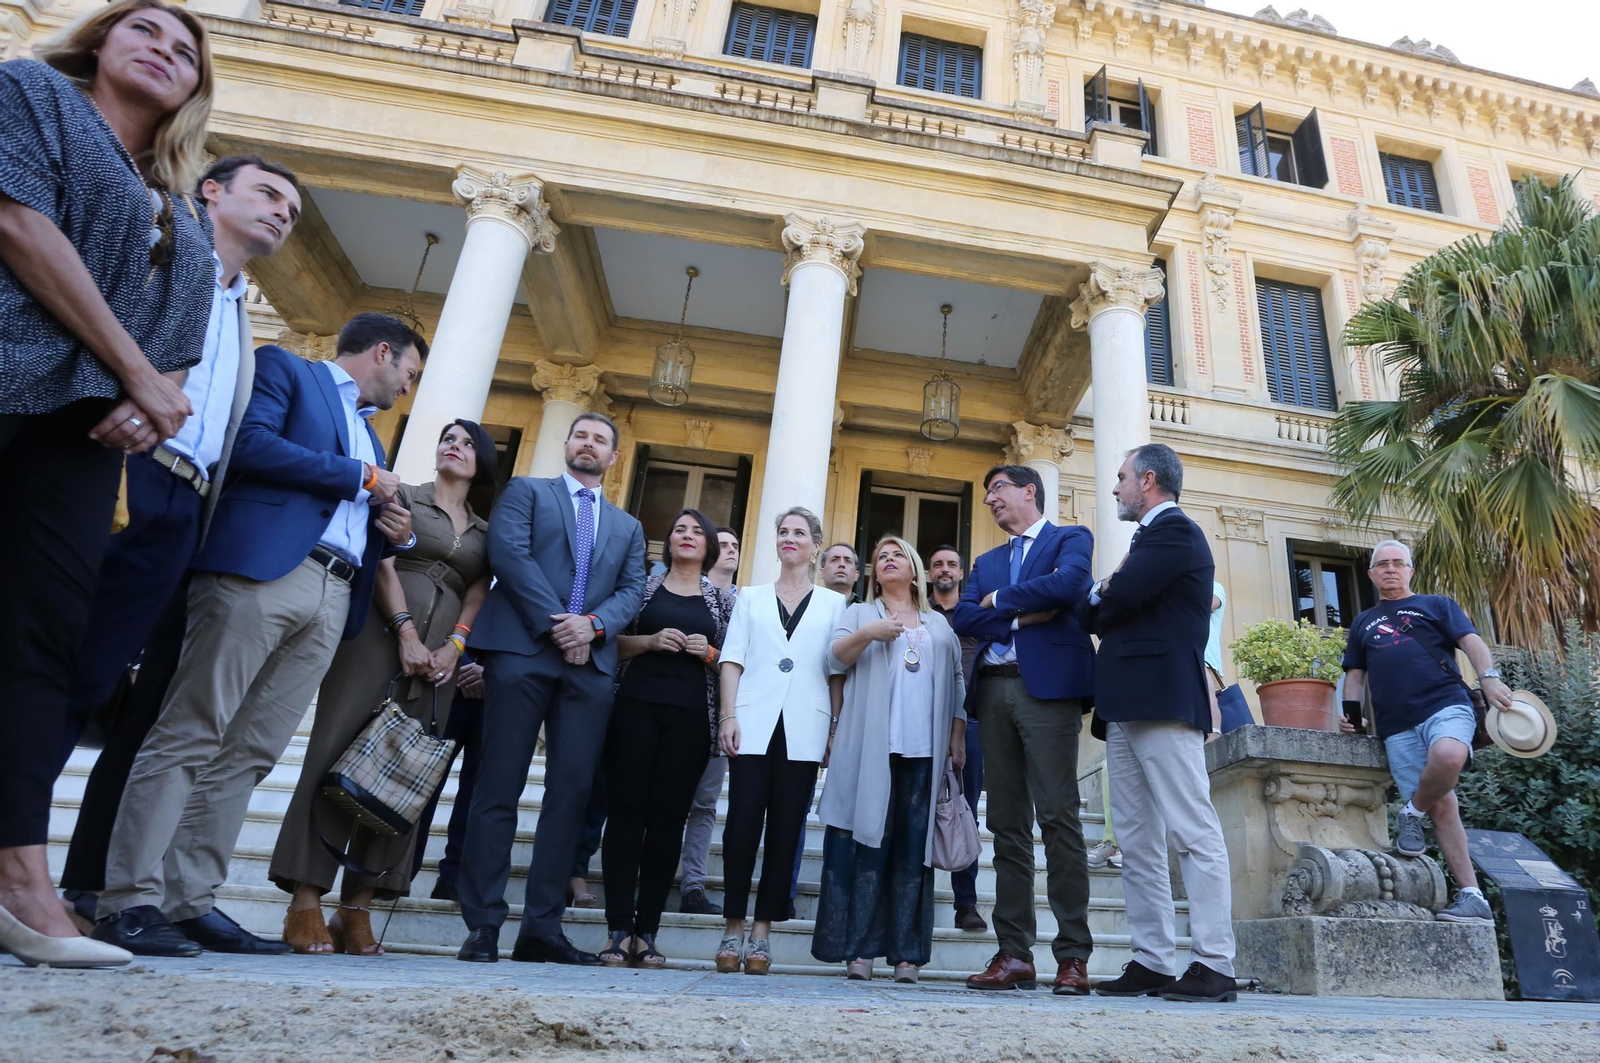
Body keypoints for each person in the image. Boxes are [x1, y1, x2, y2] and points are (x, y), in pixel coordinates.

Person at [91, 315, 425, 957]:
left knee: (252, 752)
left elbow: (359, 509)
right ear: (383, 353)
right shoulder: (288, 372)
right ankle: (128, 899)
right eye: (409, 373)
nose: (408, 388)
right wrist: (360, 478)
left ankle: (189, 901)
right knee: (192, 730)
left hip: (334, 594)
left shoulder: (371, 437)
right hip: (262, 573)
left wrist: (398, 530)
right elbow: (249, 445)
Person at [0, 0, 216, 969]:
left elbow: (185, 332)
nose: (165, 51)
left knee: (41, 642)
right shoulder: (33, 93)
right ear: (98, 40)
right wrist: (137, 372)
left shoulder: (179, 198)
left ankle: (18, 880)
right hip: (9, 373)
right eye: (146, 31)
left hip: (82, 429)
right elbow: (17, 221)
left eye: (185, 51)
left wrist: (151, 391)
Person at [58, 155, 302, 923]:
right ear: (211, 191)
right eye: (268, 194)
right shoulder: (157, 250)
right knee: (49, 667)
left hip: (186, 502)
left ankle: (87, 889)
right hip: (119, 464)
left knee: (107, 686)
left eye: (292, 210)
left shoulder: (239, 310)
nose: (282, 213)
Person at [269, 419, 496, 954]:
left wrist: (454, 646)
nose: (454, 446)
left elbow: (478, 591)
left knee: (406, 774)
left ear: (482, 462)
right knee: (334, 752)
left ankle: (358, 907)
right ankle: (305, 900)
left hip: (440, 657)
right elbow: (385, 562)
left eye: (467, 443)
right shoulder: (406, 496)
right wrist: (406, 633)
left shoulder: (485, 530)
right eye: (448, 439)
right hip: (378, 636)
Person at [455, 412, 647, 966]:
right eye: (581, 436)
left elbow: (633, 588)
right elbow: (509, 556)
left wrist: (594, 627)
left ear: (614, 458)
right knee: (498, 786)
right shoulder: (527, 492)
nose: (589, 444)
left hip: (590, 668)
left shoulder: (628, 527)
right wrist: (561, 625)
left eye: (600, 440)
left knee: (570, 797)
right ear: (566, 444)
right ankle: (483, 925)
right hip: (521, 652)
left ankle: (542, 928)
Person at [1082, 443, 1237, 1003]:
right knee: (1136, 840)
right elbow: (1105, 610)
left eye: (1121, 477)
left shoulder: (1174, 531)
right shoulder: (1147, 540)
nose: (1115, 487)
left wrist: (1104, 590)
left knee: (1192, 830)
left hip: (1164, 700)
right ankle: (1152, 960)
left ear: (1147, 481)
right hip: (1124, 705)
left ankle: (1215, 963)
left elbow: (1116, 600)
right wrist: (1105, 595)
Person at [953, 465, 1096, 994]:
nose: (989, 499)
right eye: (986, 492)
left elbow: (1069, 585)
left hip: (1048, 693)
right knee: (1006, 824)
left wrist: (997, 602)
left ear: (1029, 491)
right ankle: (1014, 953)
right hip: (992, 692)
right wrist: (1021, 615)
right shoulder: (986, 562)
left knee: (1059, 818)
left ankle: (1072, 956)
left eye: (998, 489)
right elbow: (962, 618)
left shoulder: (1070, 539)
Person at [813, 536, 966, 983]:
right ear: (874, 574)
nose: (889, 560)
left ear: (914, 569)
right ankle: (859, 951)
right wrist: (869, 634)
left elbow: (957, 680)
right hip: (871, 749)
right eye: (882, 556)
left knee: (912, 852)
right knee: (866, 847)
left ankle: (907, 955)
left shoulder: (938, 625)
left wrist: (957, 735)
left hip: (925, 752)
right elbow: (833, 659)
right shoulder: (860, 614)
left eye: (898, 554)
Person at [1338, 539, 1510, 926]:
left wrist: (1489, 678)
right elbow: (1355, 675)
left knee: (1450, 755)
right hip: (1395, 724)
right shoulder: (1364, 622)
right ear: (1371, 574)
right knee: (1443, 805)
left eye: (1398, 563)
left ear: (1410, 570)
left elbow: (1471, 641)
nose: (1390, 569)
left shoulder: (1437, 605)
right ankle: (1473, 897)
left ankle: (1411, 812)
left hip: (1445, 703)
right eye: (1382, 564)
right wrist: (1351, 716)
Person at [599, 509, 735, 968]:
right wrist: (651, 641)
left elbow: (734, 663)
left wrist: (708, 652)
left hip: (692, 719)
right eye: (679, 529)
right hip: (633, 709)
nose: (687, 536)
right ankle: (619, 929)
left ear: (709, 545)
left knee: (668, 821)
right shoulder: (641, 588)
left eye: (697, 531)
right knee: (625, 816)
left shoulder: (722, 602)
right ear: (668, 541)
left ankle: (648, 933)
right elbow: (611, 643)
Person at [714, 507, 845, 975]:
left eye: (799, 533)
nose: (789, 538)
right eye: (783, 531)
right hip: (751, 721)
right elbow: (732, 660)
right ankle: (732, 925)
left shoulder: (834, 605)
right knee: (741, 826)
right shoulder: (749, 597)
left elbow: (836, 672)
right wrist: (728, 715)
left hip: (806, 727)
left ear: (815, 546)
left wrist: (834, 728)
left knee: (787, 830)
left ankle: (762, 932)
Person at [679, 525, 741, 916]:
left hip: (718, 713)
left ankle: (694, 887)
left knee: (704, 805)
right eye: (725, 544)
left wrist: (709, 654)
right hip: (674, 704)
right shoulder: (680, 589)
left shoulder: (745, 603)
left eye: (736, 545)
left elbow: (743, 662)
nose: (731, 550)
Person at [927, 544, 987, 932]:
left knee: (964, 810)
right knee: (917, 809)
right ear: (929, 573)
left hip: (972, 720)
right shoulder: (919, 613)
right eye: (937, 565)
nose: (945, 569)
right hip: (921, 721)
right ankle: (917, 899)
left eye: (951, 564)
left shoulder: (974, 614)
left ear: (961, 573)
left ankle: (966, 903)